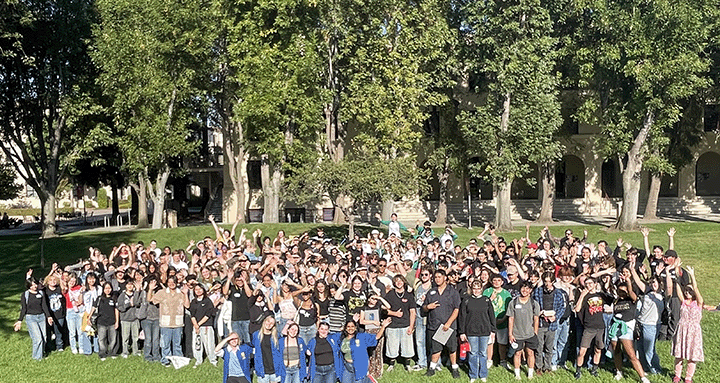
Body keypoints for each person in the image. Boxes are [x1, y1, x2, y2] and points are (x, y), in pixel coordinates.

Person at [608, 269, 650, 383]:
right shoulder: (616, 301)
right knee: (616, 350)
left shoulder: (631, 300)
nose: (621, 292)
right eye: (619, 290)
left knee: (631, 353)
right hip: (615, 326)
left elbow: (632, 293)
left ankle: (642, 377)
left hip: (626, 327)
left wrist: (628, 282)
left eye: (623, 290)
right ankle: (619, 371)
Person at [422, 269, 461, 378]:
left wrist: (448, 323)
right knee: (436, 348)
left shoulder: (452, 292)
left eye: (440, 277)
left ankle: (454, 368)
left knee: (452, 348)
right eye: (435, 277)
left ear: (445, 278)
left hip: (448, 326)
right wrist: (427, 307)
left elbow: (456, 309)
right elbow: (423, 308)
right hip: (434, 324)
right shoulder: (431, 292)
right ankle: (432, 368)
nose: (437, 279)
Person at [669, 262, 704, 383]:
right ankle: (677, 375)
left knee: (692, 357)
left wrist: (692, 276)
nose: (687, 292)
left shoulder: (698, 303)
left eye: (689, 291)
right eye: (686, 291)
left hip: (693, 331)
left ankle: (688, 377)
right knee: (679, 355)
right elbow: (678, 289)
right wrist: (676, 277)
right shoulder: (683, 302)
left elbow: (696, 289)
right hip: (682, 329)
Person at [459, 280, 496, 383]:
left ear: (481, 289)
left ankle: (483, 374)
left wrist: (493, 330)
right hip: (471, 331)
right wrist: (462, 332)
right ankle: (473, 374)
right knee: (473, 353)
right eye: (474, 288)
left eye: (478, 288)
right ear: (471, 289)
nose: (476, 291)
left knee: (483, 353)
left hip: (484, 330)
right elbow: (462, 317)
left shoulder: (486, 300)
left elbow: (491, 316)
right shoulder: (466, 300)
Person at [574, 277, 611, 379]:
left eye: (590, 283)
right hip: (588, 327)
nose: (588, 285)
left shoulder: (600, 295)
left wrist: (607, 286)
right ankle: (578, 370)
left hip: (600, 326)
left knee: (598, 349)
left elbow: (612, 298)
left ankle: (594, 369)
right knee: (582, 351)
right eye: (586, 284)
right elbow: (577, 309)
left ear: (595, 284)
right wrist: (582, 295)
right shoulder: (584, 296)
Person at [148, 276, 190, 366]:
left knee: (177, 344)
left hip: (178, 323)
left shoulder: (181, 293)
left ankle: (178, 360)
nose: (171, 284)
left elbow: (187, 305)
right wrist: (150, 289)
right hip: (165, 323)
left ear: (176, 283)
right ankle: (166, 360)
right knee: (165, 344)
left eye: (173, 282)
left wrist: (186, 294)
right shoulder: (162, 293)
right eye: (169, 282)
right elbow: (150, 299)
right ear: (167, 283)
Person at [532, 271, 566, 375]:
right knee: (539, 347)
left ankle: (547, 367)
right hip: (540, 322)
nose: (547, 284)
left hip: (552, 324)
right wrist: (539, 312)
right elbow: (533, 304)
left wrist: (555, 317)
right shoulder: (537, 291)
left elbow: (562, 307)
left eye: (549, 282)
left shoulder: (558, 293)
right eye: (545, 281)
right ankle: (538, 367)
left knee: (549, 347)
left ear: (553, 281)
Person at [14, 273, 52, 360]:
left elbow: (44, 306)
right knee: (38, 338)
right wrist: (20, 321)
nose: (34, 286)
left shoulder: (41, 293)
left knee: (44, 338)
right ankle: (37, 358)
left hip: (41, 317)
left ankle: (40, 354)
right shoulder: (25, 295)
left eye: (35, 284)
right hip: (31, 318)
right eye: (32, 284)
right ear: (29, 286)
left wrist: (48, 316)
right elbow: (24, 308)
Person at [507, 280, 540, 380]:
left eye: (527, 288)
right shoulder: (513, 302)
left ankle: (530, 373)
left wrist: (535, 333)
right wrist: (510, 334)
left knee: (530, 353)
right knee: (517, 353)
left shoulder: (534, 303)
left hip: (530, 334)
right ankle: (517, 374)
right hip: (517, 334)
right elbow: (510, 319)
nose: (524, 290)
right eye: (523, 287)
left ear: (530, 290)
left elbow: (536, 319)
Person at [383, 275, 416, 372]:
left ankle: (407, 365)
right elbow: (384, 310)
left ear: (404, 282)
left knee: (408, 347)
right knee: (391, 346)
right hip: (393, 325)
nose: (399, 282)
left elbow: (412, 312)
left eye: (401, 281)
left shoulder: (409, 295)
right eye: (396, 281)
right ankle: (391, 364)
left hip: (405, 325)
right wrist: (395, 314)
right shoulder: (390, 294)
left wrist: (411, 326)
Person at [483, 273, 512, 370]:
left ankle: (502, 360)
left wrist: (503, 319)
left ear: (502, 282)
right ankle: (489, 360)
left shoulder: (506, 293)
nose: (496, 282)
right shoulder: (487, 292)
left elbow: (509, 309)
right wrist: (490, 299)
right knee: (490, 342)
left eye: (499, 280)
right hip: (489, 322)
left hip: (502, 322)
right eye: (494, 280)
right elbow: (483, 306)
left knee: (502, 343)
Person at [189, 283, 218, 367]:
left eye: (200, 289)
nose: (198, 291)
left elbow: (208, 315)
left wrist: (199, 324)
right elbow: (192, 314)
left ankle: (213, 359)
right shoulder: (193, 302)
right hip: (196, 326)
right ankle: (198, 360)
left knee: (209, 344)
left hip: (206, 325)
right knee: (197, 344)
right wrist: (195, 325)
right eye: (196, 289)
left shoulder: (207, 301)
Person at [91, 282, 119, 361]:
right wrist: (89, 317)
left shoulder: (114, 298)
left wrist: (117, 321)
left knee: (113, 339)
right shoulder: (100, 298)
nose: (108, 290)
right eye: (106, 288)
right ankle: (102, 354)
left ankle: (111, 352)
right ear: (103, 289)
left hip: (112, 322)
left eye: (109, 288)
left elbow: (116, 310)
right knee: (102, 339)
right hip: (101, 322)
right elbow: (94, 307)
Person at [252, 316, 283, 383]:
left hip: (275, 369)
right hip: (262, 369)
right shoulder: (256, 335)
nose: (269, 324)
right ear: (264, 321)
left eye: (272, 323)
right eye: (268, 321)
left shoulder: (277, 336)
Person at [64, 272, 84, 354]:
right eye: (70, 281)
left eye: (73, 281)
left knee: (80, 331)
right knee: (72, 332)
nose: (72, 283)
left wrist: (79, 302)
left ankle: (81, 347)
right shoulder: (65, 290)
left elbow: (81, 299)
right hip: (70, 310)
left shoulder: (79, 288)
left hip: (79, 309)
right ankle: (73, 348)